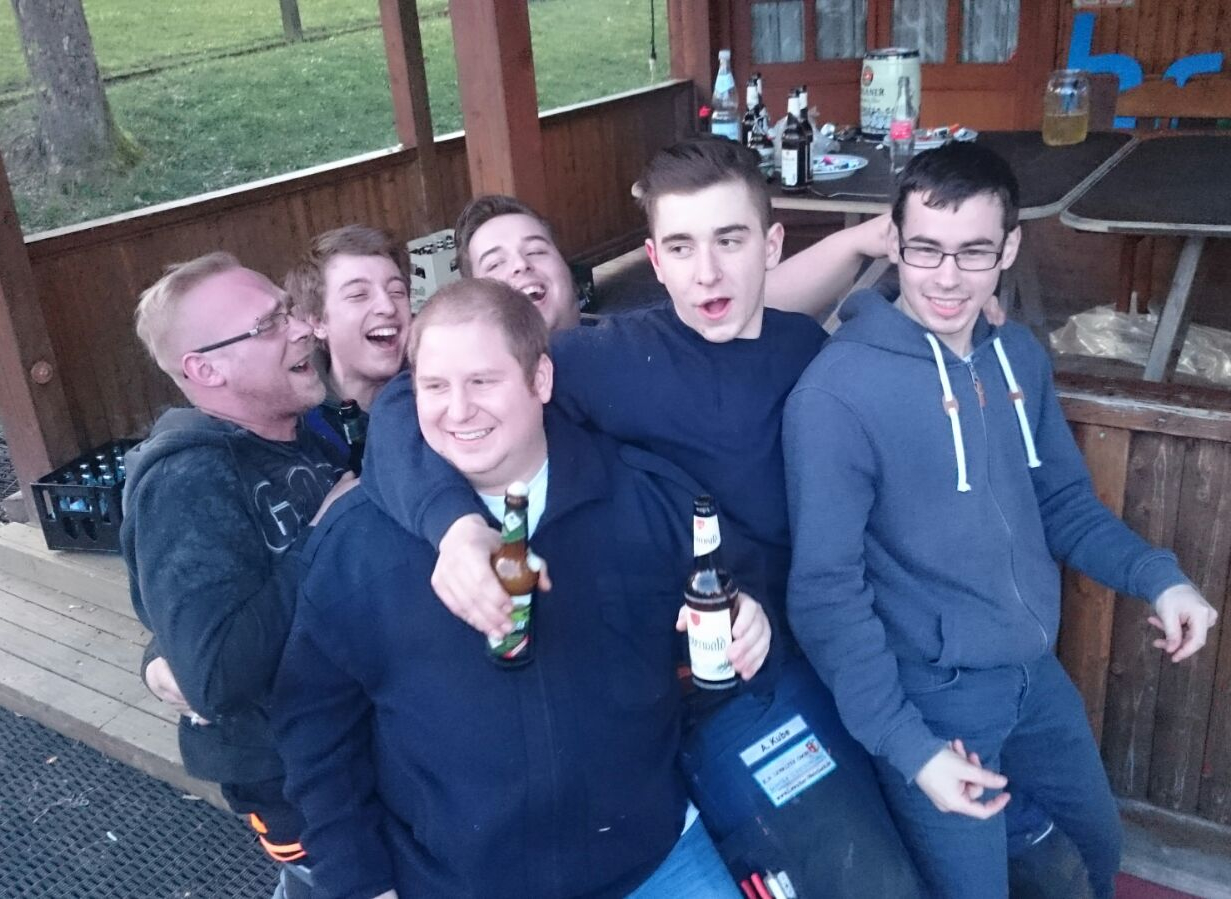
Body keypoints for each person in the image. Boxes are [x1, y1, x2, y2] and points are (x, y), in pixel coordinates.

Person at [363, 137, 927, 897]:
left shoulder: (803, 350)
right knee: (869, 883)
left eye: (729, 241)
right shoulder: (607, 360)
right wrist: (455, 527)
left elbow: (828, 336)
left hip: (810, 643)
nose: (707, 272)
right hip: (699, 692)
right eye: (681, 247)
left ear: (768, 245)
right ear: (654, 261)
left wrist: (950, 313)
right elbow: (408, 404)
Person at [782, 141, 1221, 899]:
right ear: (894, 243)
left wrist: (1158, 578)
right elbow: (825, 594)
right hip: (931, 698)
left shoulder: (1016, 356)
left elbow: (1063, 504)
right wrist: (910, 747)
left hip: (1033, 675)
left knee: (1096, 849)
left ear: (1008, 249)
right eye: (925, 249)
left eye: (973, 251)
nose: (947, 277)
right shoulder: (835, 395)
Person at [273, 279, 772, 899]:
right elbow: (316, 736)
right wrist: (361, 885)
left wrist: (754, 621)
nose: (458, 410)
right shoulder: (357, 545)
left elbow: (746, 593)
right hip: (457, 883)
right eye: (435, 386)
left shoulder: (645, 497)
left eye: (483, 381)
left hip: (654, 857)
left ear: (541, 379)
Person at [121, 252, 346, 899]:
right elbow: (215, 672)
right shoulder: (187, 479)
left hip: (357, 748)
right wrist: (326, 534)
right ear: (205, 369)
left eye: (288, 310)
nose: (301, 328)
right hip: (301, 788)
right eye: (269, 324)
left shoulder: (300, 432)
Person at [453, 191, 894, 332]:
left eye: (536, 250)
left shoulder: (624, 347)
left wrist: (862, 238)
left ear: (570, 275)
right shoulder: (465, 402)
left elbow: (758, 298)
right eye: (495, 263)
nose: (521, 266)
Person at [283, 225, 411, 465]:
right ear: (318, 322)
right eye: (358, 295)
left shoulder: (442, 394)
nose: (387, 306)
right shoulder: (297, 427)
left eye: (397, 291)